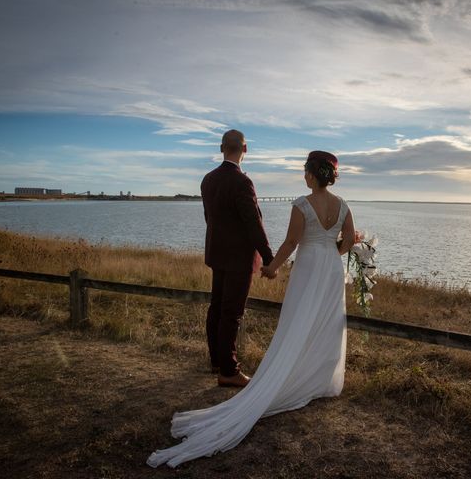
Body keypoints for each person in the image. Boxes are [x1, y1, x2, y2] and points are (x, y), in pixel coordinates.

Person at [147, 150, 356, 468]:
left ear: (312, 175)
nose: (304, 176)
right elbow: (350, 240)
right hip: (329, 267)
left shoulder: (302, 204)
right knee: (326, 322)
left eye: (305, 171)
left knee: (297, 320)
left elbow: (290, 243)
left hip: (310, 266)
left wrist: (272, 267)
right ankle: (318, 380)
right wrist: (332, 251)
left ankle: (292, 375)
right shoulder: (343, 205)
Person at [200, 129, 275, 388]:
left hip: (217, 253)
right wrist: (269, 258)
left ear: (222, 148)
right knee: (231, 314)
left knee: (217, 308)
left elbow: (211, 219)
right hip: (238, 259)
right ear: (245, 149)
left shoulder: (208, 179)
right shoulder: (242, 182)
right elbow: (253, 224)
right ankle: (229, 370)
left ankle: (216, 361)